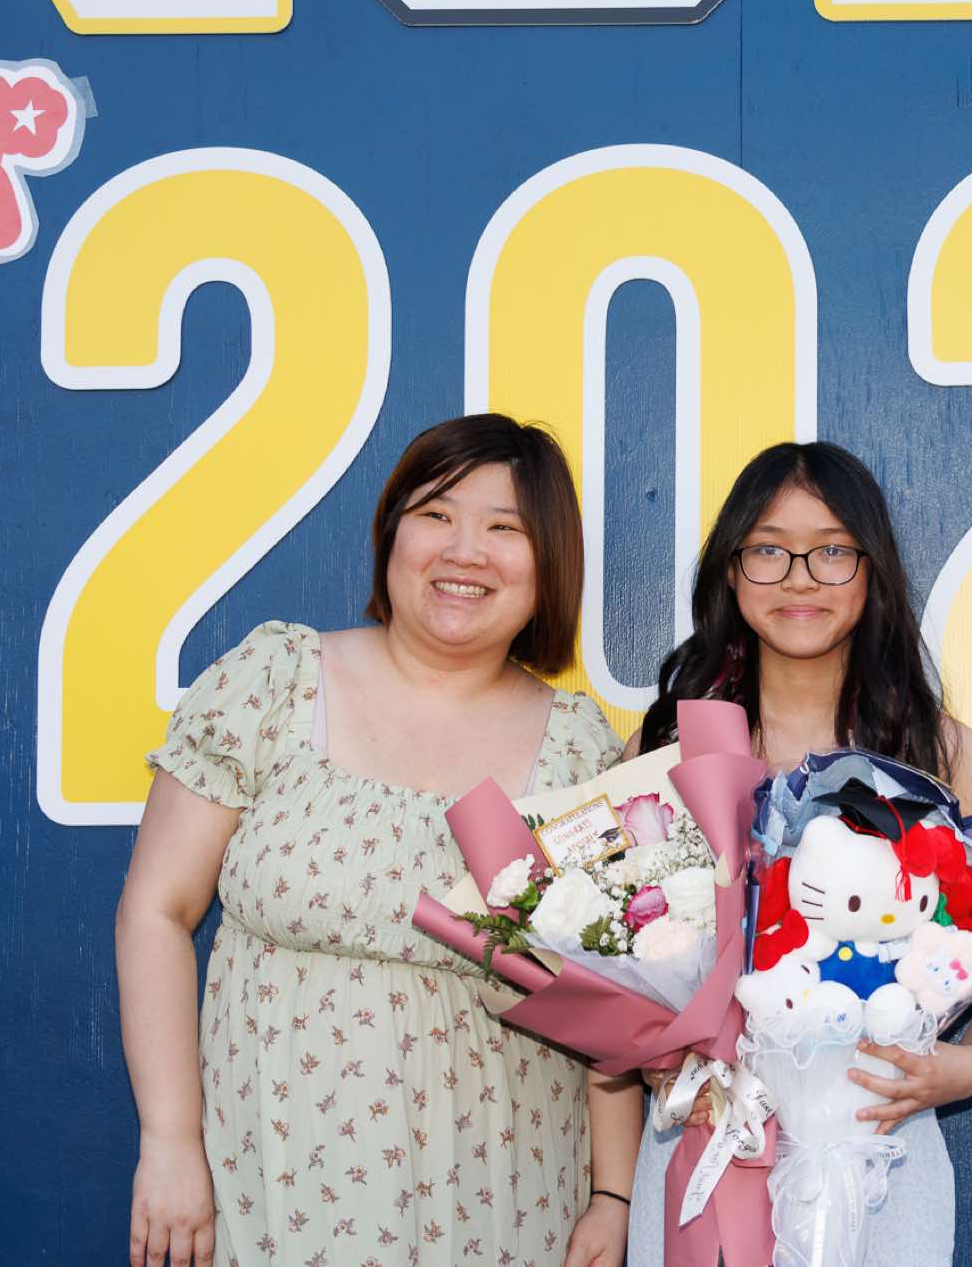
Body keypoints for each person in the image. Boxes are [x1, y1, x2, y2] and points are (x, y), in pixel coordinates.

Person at [116, 415, 633, 1267]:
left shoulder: (579, 751)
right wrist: (169, 1139)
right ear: (391, 532)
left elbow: (614, 998)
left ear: (550, 562)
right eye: (436, 514)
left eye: (504, 528)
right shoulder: (274, 681)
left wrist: (614, 1194)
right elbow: (155, 911)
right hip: (270, 1189)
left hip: (503, 1200)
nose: (465, 550)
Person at [610, 442, 972, 1265]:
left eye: (832, 550)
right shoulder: (664, 750)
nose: (799, 577)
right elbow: (611, 972)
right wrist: (660, 1065)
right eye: (769, 549)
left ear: (871, 570)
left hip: (881, 1139)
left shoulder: (940, 753)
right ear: (731, 570)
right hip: (710, 1139)